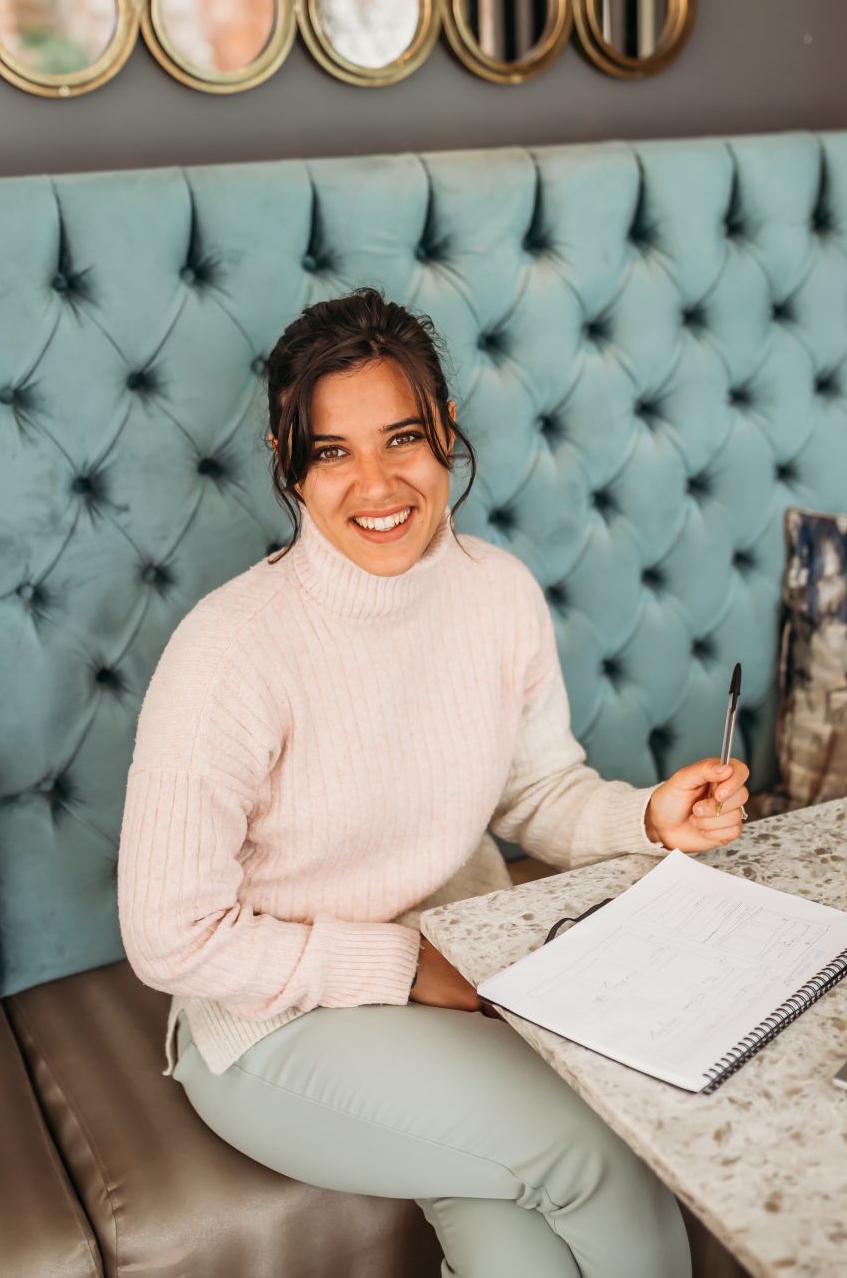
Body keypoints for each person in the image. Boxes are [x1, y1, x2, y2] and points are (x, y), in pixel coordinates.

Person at [118, 286, 750, 1278]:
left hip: (460, 985)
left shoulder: (496, 593)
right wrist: (403, 966)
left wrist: (648, 817)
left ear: (445, 431)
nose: (375, 483)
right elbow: (169, 935)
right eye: (332, 451)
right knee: (600, 1148)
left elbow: (537, 791)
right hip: (276, 1025)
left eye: (402, 437)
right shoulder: (229, 651)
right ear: (290, 464)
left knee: (524, 1259)